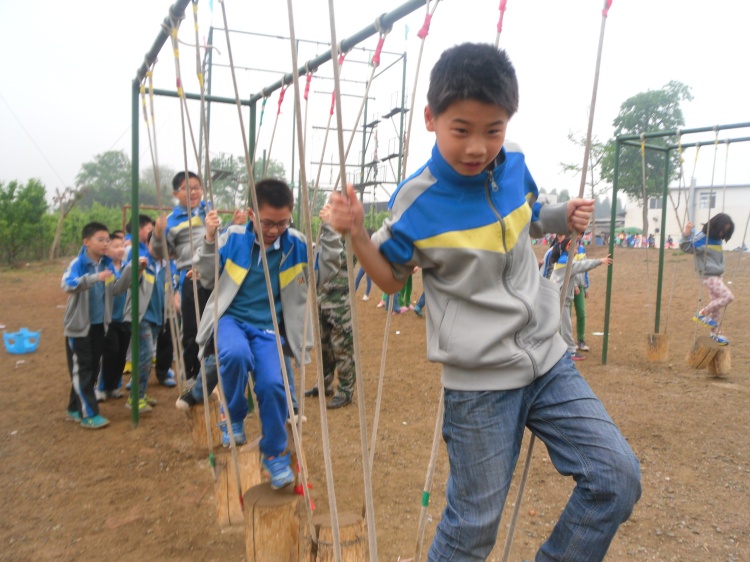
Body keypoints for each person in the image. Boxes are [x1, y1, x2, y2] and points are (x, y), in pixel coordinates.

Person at [328, 43, 640, 561]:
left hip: (547, 358)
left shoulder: (512, 159)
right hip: (479, 385)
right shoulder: (417, 200)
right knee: (473, 526)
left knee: (616, 477)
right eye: (462, 130)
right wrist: (359, 233)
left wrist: (564, 214)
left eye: (492, 130)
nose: (478, 146)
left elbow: (530, 214)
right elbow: (387, 279)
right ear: (431, 119)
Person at [193, 178, 341, 489]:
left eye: (283, 222)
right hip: (231, 319)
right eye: (268, 222)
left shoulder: (296, 245)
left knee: (275, 385)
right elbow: (206, 277)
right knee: (234, 354)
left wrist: (329, 233)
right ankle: (233, 414)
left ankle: (274, 455)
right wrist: (208, 238)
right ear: (251, 214)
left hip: (269, 329)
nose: (275, 229)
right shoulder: (231, 239)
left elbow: (326, 273)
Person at [62, 223, 133, 429]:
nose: (105, 244)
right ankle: (89, 414)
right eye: (100, 240)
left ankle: (74, 408)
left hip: (99, 326)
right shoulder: (79, 263)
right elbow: (67, 284)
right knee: (83, 368)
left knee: (91, 369)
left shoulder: (106, 264)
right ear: (86, 242)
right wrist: (93, 278)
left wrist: (132, 271)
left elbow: (116, 289)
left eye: (107, 240)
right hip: (79, 327)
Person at [151, 171, 212, 383]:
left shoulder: (209, 211)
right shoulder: (170, 221)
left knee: (217, 326)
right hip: (191, 276)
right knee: (193, 329)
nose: (194, 192)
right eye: (188, 188)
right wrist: (158, 234)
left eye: (197, 187)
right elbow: (160, 253)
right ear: (176, 193)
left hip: (216, 274)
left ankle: (212, 374)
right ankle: (191, 375)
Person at [304, 205, 355, 409]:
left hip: (340, 304)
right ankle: (324, 384)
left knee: (341, 348)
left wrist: (329, 227)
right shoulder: (327, 237)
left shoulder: (349, 237)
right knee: (324, 347)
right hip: (322, 300)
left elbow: (339, 260)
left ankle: (345, 390)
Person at [123, 233, 169, 413]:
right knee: (146, 353)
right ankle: (135, 397)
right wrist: (138, 269)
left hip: (156, 318)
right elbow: (126, 283)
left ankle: (141, 392)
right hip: (141, 317)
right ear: (149, 243)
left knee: (146, 357)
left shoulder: (165, 266)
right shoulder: (141, 262)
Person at [549, 237, 612, 361]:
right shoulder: (567, 262)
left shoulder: (562, 260)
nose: (578, 248)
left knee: (560, 325)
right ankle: (570, 351)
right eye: (576, 246)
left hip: (557, 297)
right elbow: (583, 265)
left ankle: (559, 349)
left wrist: (575, 286)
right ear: (568, 247)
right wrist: (601, 261)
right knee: (566, 326)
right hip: (561, 299)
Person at [680, 213, 735, 345]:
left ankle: (714, 335)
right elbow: (687, 247)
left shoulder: (716, 239)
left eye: (726, 232)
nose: (722, 234)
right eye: (722, 230)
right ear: (716, 226)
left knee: (716, 307)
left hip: (717, 275)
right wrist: (687, 233)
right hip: (708, 276)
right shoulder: (702, 238)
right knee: (728, 297)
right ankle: (702, 314)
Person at [97, 231, 130, 401]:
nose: (119, 249)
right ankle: (102, 387)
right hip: (109, 319)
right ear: (107, 248)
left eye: (122, 246)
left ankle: (115, 386)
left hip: (124, 317)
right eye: (115, 246)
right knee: (110, 352)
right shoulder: (104, 268)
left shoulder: (127, 266)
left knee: (121, 354)